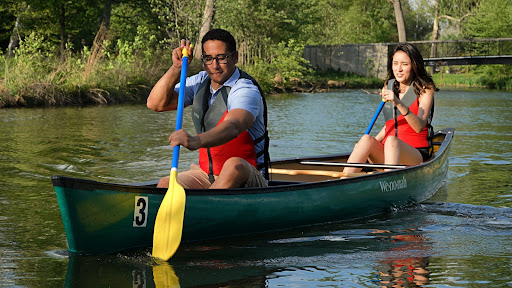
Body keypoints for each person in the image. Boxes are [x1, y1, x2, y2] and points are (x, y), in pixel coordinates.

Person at [147, 29, 270, 189]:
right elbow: (155, 103)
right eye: (208, 59)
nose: (215, 66)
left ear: (235, 57)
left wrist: (195, 140)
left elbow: (233, 126)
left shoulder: (245, 89)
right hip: (206, 175)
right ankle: (204, 204)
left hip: (249, 177)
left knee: (234, 166)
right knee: (166, 184)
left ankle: (207, 206)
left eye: (221, 58)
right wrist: (176, 68)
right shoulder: (200, 81)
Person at [343, 43, 438, 174]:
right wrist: (364, 146)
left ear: (414, 66)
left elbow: (419, 126)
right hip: (389, 154)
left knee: (392, 141)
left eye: (404, 64)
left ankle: (390, 183)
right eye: (395, 63)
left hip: (415, 154)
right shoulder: (389, 86)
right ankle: (343, 182)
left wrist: (398, 102)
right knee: (366, 140)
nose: (398, 69)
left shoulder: (425, 90)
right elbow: (390, 125)